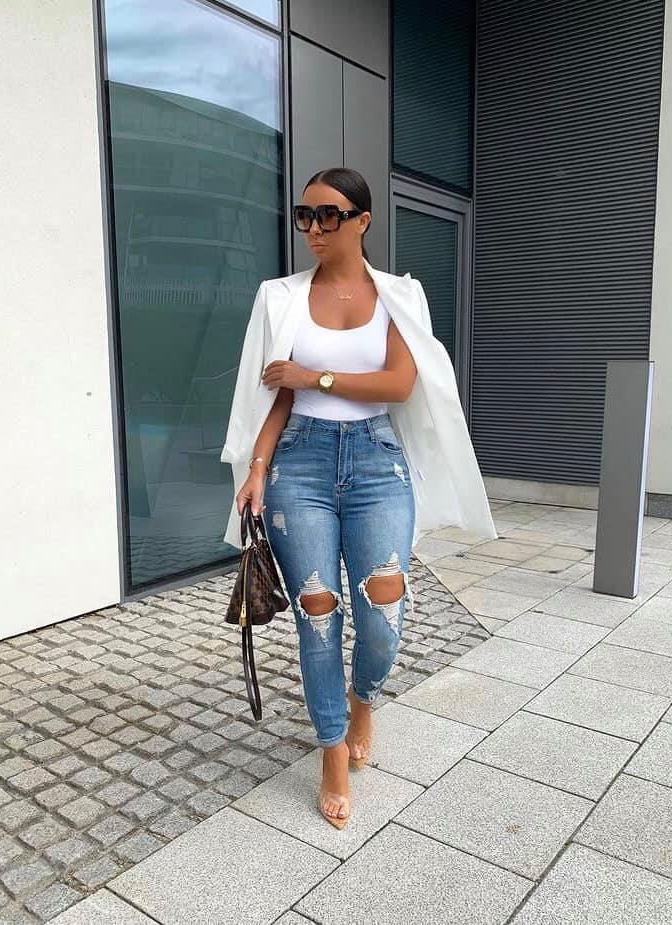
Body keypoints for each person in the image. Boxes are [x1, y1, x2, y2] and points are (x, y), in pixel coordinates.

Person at [221, 166, 497, 831]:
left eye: (329, 215)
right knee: (317, 612)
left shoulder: (399, 294)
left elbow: (398, 383)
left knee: (384, 608)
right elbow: (276, 396)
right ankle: (331, 749)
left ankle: (363, 699)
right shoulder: (280, 298)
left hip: (376, 462)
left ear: (362, 221)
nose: (314, 228)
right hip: (299, 466)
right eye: (305, 216)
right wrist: (256, 467)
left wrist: (315, 374)